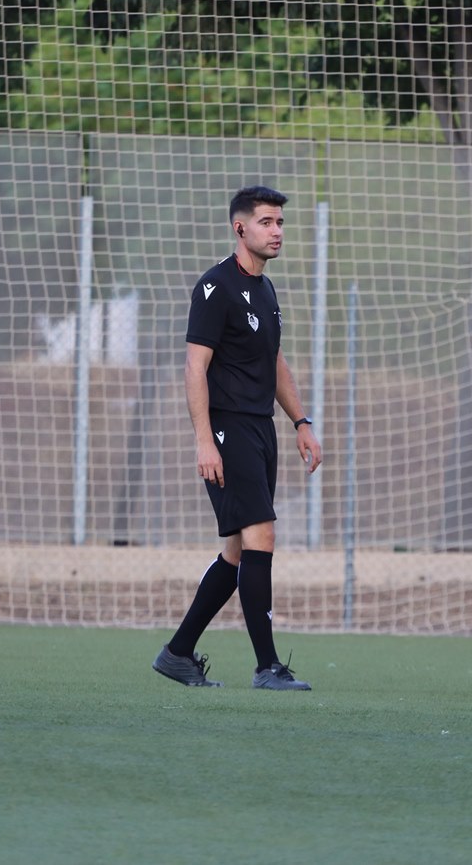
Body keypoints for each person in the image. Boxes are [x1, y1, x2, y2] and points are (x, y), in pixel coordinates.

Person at [152, 185, 324, 690]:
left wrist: (301, 422)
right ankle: (267, 667)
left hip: (260, 428)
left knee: (236, 552)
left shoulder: (266, 291)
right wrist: (205, 440)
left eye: (280, 222)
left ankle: (177, 654)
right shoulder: (215, 286)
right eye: (266, 222)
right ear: (240, 227)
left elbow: (274, 363)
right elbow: (194, 367)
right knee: (261, 535)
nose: (277, 231)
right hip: (228, 428)